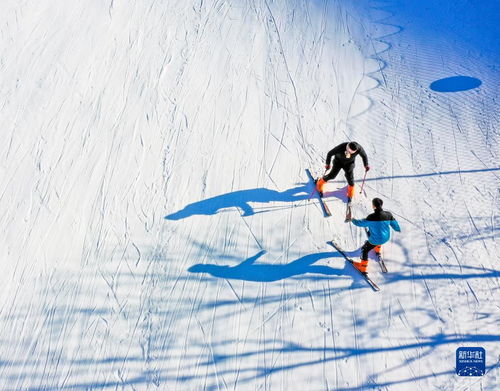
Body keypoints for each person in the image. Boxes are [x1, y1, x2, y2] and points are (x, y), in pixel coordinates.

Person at [350, 197, 401, 274]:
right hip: (386, 238)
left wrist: (352, 220)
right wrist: (398, 229)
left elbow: (360, 223)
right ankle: (377, 249)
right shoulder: (388, 214)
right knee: (376, 234)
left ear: (374, 206)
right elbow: (395, 224)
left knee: (364, 250)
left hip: (376, 239)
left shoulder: (371, 217)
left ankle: (362, 268)